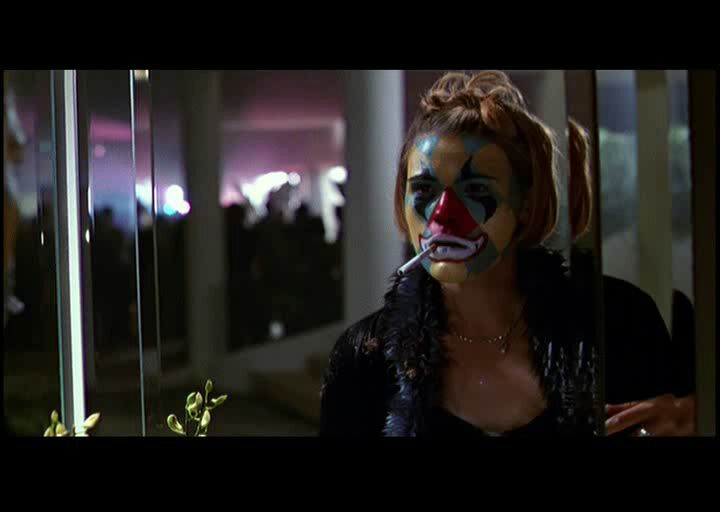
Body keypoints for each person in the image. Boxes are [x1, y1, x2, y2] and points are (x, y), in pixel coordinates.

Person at [319, 71, 696, 437]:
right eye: (424, 190)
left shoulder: (618, 322)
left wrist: (695, 417)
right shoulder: (364, 360)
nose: (444, 215)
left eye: (476, 190)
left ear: (526, 205)